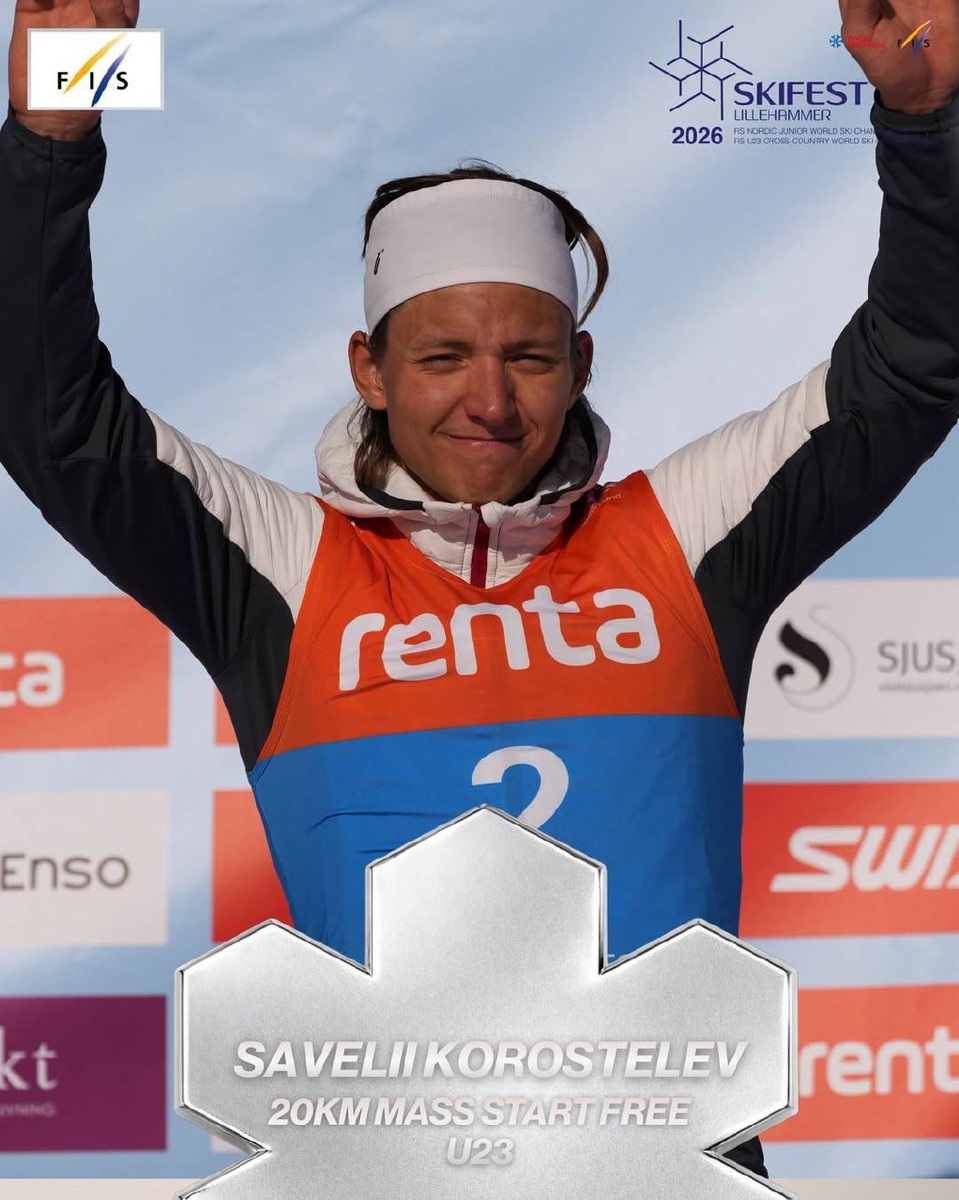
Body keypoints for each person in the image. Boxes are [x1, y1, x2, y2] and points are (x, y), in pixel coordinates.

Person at [3, 0, 959, 1179]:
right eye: (443, 357)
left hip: (670, 1172)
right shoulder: (284, 567)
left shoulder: (682, 536)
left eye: (530, 357)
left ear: (581, 363)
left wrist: (925, 123)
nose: (490, 402)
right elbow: (55, 422)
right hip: (379, 1173)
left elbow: (907, 371)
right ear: (369, 368)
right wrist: (57, 123)